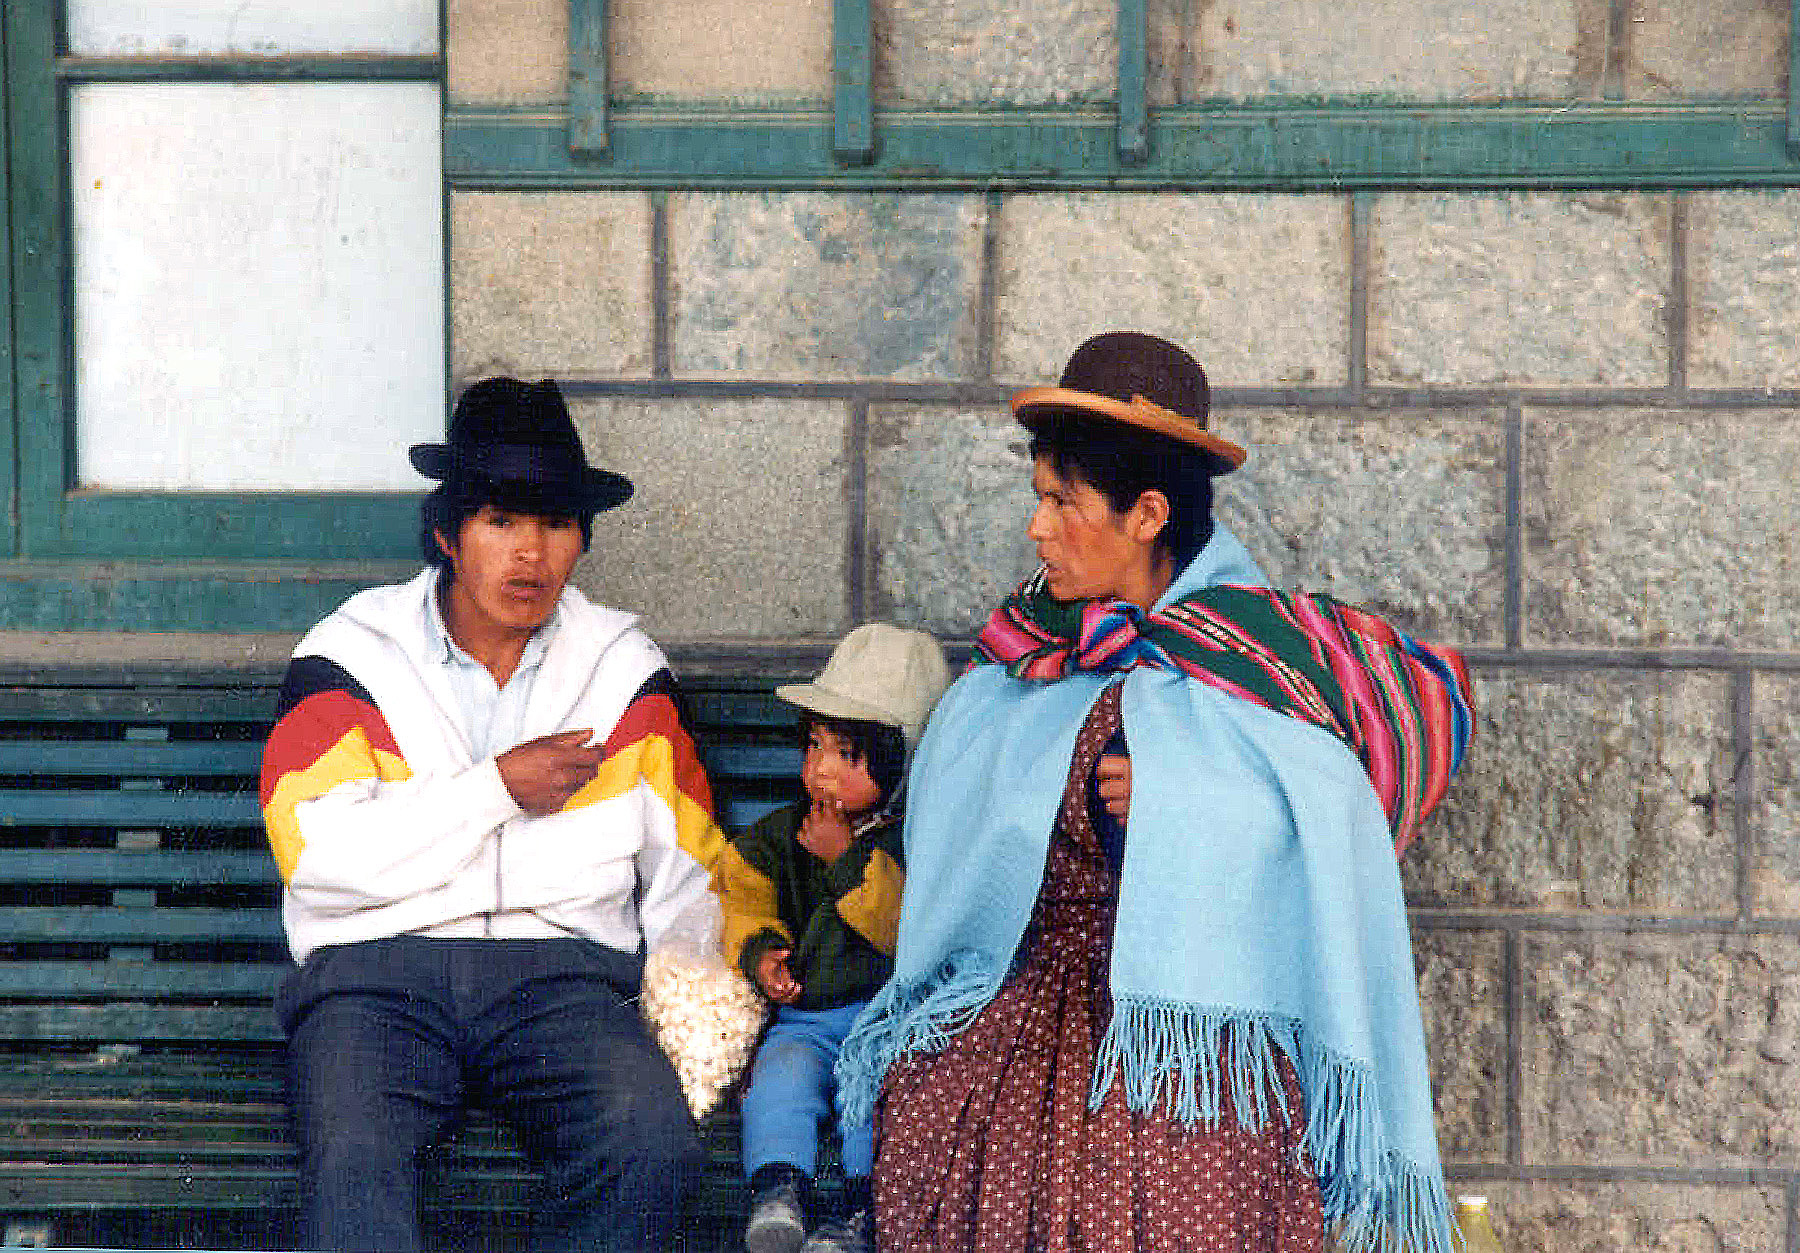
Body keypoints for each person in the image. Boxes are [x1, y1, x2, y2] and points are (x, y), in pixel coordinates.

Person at [837, 333, 1475, 1253]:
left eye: (1063, 502)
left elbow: (1332, 819)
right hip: (1017, 997)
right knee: (941, 1126)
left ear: (1145, 513)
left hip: (1193, 1030)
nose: (1038, 528)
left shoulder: (1252, 651)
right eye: (1039, 498)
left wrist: (1183, 799)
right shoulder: (1028, 647)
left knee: (1179, 1182)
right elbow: (963, 802)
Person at [259, 377, 725, 1253]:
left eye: (554, 523)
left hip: (566, 983)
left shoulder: (622, 667)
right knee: (354, 1160)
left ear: (582, 539)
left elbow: (684, 870)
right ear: (447, 532)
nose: (530, 555)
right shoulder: (347, 655)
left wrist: (694, 1008)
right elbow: (319, 852)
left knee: (651, 1143)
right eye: (501, 521)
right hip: (375, 979)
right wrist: (495, 788)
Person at [717, 624, 951, 1253]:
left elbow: (904, 928)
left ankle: (857, 1207)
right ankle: (778, 1189)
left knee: (874, 1097)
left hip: (890, 1021)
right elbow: (741, 890)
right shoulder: (782, 833)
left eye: (846, 756)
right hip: (810, 1014)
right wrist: (762, 950)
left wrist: (847, 861)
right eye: (814, 745)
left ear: (902, 763)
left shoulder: (917, 838)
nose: (818, 769)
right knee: (781, 1076)